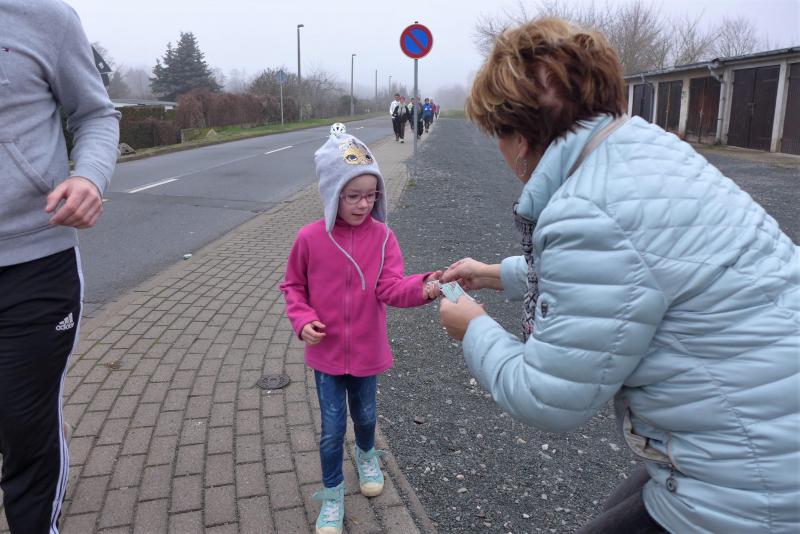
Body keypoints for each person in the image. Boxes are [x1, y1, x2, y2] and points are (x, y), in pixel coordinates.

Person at [438, 17, 799, 534]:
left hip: (756, 484)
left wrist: (472, 327)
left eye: (499, 133)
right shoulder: (645, 150)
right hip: (772, 424)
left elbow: (547, 395)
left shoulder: (589, 209)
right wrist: (493, 274)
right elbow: (626, 275)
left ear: (521, 137)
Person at [280, 128, 440, 534]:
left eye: (371, 195)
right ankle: (332, 493)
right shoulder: (309, 239)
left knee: (366, 416)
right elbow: (293, 286)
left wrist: (424, 287)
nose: (364, 204)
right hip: (327, 355)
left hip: (368, 351)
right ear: (332, 192)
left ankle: (367, 455)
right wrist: (302, 319)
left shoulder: (384, 238)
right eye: (353, 195)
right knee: (332, 429)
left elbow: (391, 287)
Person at [0, 1, 121, 533]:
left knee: (25, 428)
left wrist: (89, 176)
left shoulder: (44, 17)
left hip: (33, 259)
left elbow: (95, 114)